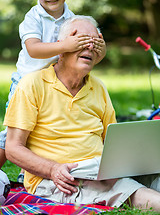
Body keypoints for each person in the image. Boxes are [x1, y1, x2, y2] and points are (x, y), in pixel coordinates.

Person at [5, 15, 160, 211]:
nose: (89, 48)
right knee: (139, 195)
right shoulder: (33, 85)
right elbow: (12, 148)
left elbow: (112, 142)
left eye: (95, 43)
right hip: (61, 180)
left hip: (100, 171)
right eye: (82, 41)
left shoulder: (99, 88)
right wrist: (53, 169)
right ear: (61, 48)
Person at [0, 0, 106, 182]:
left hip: (54, 83)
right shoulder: (33, 17)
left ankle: (26, 174)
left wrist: (99, 52)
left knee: (43, 131)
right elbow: (33, 49)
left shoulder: (73, 19)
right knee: (12, 135)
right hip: (26, 81)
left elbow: (81, 56)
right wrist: (65, 45)